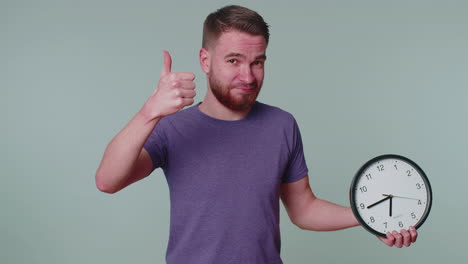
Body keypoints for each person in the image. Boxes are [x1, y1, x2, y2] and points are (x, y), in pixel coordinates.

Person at [96, 5, 418, 263]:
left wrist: (369, 218)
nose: (247, 76)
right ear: (205, 61)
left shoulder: (282, 125)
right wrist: (149, 111)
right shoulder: (172, 127)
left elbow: (304, 209)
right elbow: (108, 181)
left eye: (258, 62)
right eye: (234, 60)